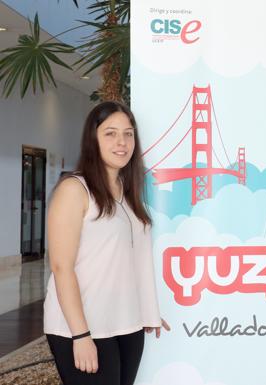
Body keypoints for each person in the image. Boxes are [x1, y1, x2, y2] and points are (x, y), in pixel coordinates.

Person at [44, 101, 170, 385]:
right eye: (110, 133)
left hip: (127, 323)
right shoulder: (74, 189)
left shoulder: (127, 192)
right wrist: (81, 335)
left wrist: (148, 311)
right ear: (93, 139)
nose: (122, 142)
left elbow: (130, 259)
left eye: (128, 133)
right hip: (83, 326)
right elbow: (61, 266)